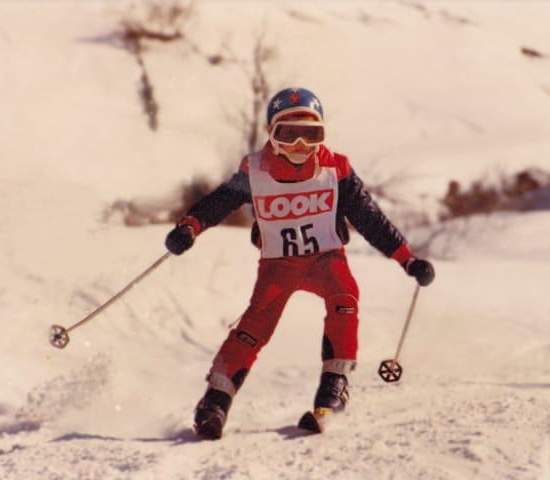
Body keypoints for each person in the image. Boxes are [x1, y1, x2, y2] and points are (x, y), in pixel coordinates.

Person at [165, 87, 435, 439]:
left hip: (326, 258)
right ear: (271, 134)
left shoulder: (335, 168)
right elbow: (219, 203)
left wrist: (406, 259)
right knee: (256, 324)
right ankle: (215, 401)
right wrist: (190, 227)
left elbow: (369, 218)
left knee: (344, 296)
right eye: (288, 134)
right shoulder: (255, 170)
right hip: (279, 264)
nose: (299, 145)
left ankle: (333, 389)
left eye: (311, 135)